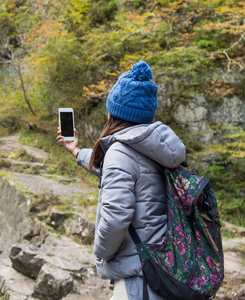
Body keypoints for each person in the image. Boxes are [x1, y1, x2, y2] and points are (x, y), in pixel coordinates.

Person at [57, 61, 186, 300]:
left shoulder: (120, 152)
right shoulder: (154, 148)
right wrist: (75, 151)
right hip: (162, 268)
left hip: (137, 278)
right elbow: (111, 170)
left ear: (114, 112)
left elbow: (116, 215)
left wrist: (101, 253)